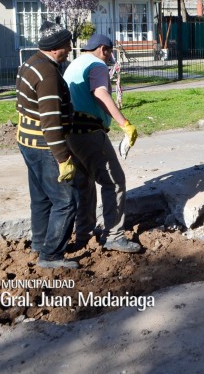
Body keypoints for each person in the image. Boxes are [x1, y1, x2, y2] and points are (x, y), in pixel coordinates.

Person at [64, 34, 141, 253]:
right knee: (114, 182)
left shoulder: (75, 64)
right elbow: (100, 93)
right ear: (103, 49)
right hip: (89, 131)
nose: (110, 57)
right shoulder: (97, 65)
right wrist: (124, 123)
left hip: (71, 132)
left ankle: (84, 233)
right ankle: (114, 235)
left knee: (85, 183)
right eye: (109, 52)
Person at [15, 20, 79, 269]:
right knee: (65, 202)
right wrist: (63, 158)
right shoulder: (49, 74)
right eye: (66, 45)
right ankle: (51, 255)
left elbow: (24, 104)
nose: (70, 49)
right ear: (54, 48)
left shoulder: (29, 64)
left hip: (28, 142)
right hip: (45, 147)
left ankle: (41, 242)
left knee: (41, 197)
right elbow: (50, 120)